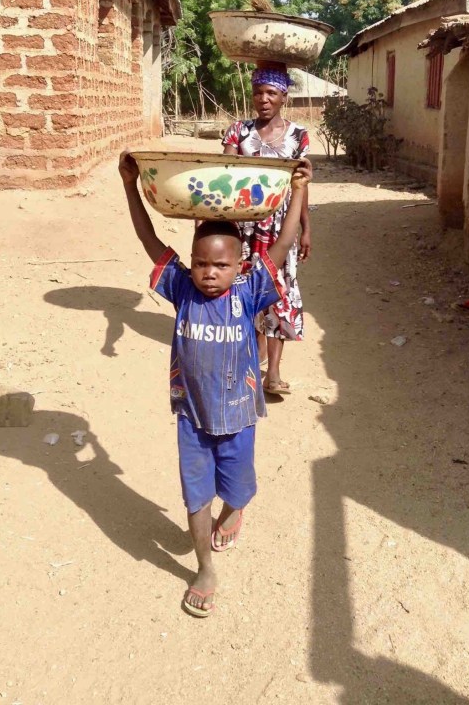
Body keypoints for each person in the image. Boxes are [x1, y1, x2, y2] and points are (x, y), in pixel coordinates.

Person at [118, 150, 312, 617]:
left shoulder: (250, 291)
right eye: (201, 263)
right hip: (192, 416)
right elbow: (147, 238)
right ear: (190, 263)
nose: (209, 273)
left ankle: (235, 510)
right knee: (196, 494)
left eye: (220, 266)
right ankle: (205, 568)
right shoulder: (181, 288)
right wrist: (129, 185)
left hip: (239, 414)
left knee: (239, 490)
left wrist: (298, 192)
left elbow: (283, 244)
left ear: (240, 266)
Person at [222, 63, 311, 395]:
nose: (264, 99)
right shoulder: (238, 132)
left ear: (284, 96)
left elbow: (302, 184)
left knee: (278, 291)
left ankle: (272, 374)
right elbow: (225, 175)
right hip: (242, 226)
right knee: (243, 289)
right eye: (258, 92)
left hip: (280, 227)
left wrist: (305, 227)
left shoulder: (298, 135)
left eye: (271, 93)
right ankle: (245, 363)